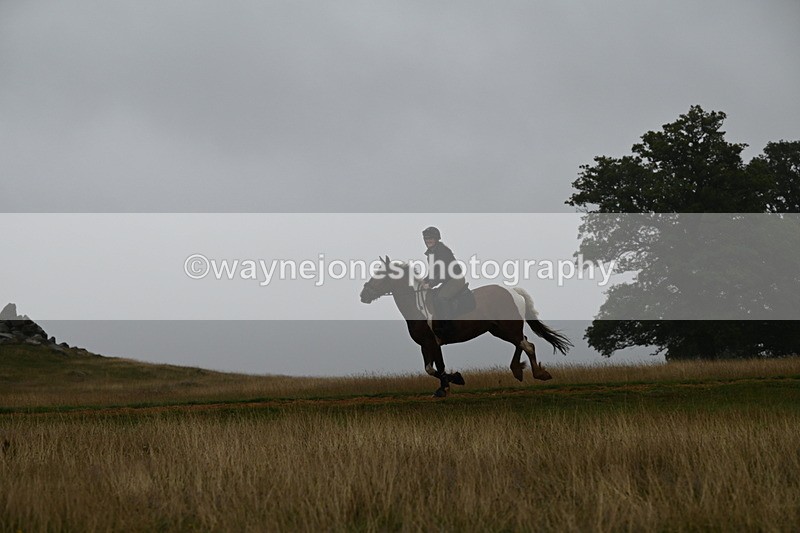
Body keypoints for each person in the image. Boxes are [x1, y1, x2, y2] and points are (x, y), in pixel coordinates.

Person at [422, 226, 466, 339]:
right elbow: (433, 272)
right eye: (426, 238)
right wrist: (424, 281)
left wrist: (431, 284)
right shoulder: (431, 254)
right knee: (434, 297)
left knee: (441, 298)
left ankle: (448, 327)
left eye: (430, 238)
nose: (428, 241)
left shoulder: (443, 251)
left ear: (436, 239)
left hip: (455, 279)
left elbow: (444, 272)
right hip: (446, 280)